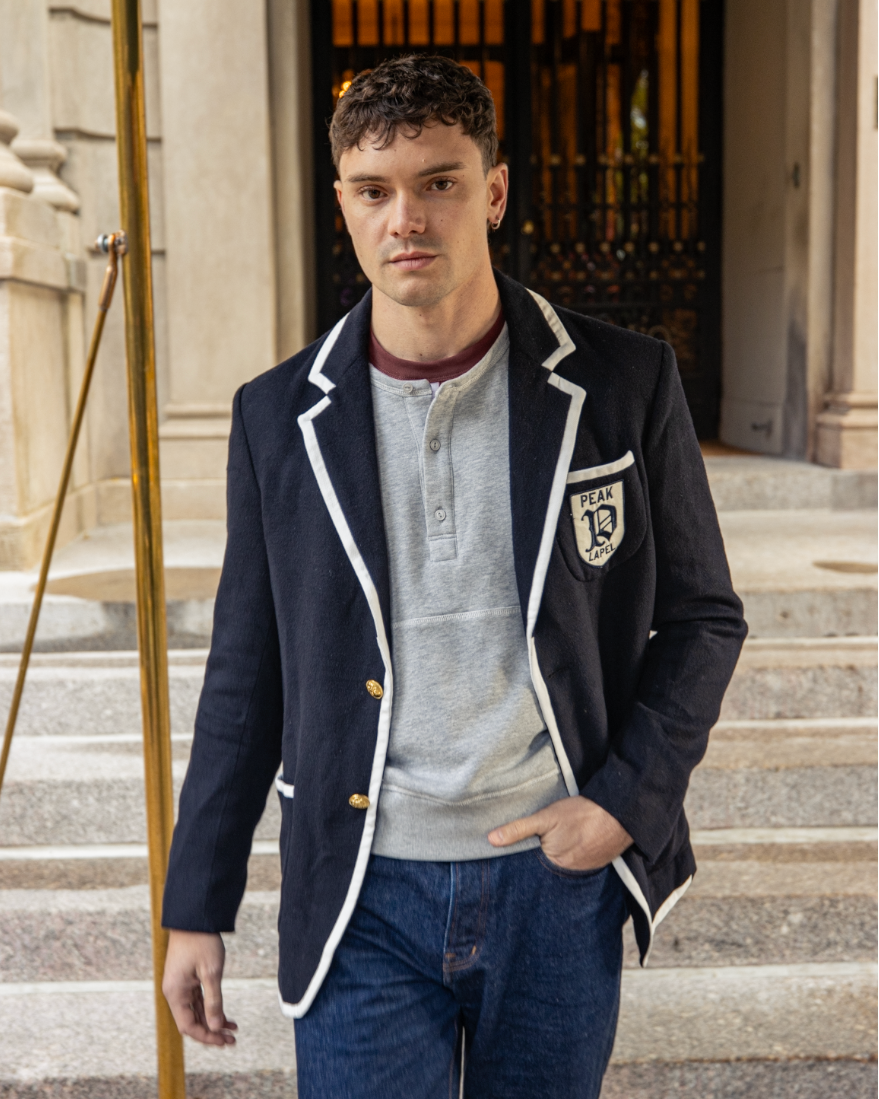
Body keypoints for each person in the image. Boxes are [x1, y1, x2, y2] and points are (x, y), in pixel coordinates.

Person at [161, 54, 747, 1099]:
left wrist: (624, 803)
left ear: (495, 189)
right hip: (360, 891)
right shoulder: (276, 418)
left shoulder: (621, 381)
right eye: (375, 191)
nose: (407, 220)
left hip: (553, 886)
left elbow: (703, 616)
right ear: (341, 202)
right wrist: (196, 901)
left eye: (440, 181)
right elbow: (247, 674)